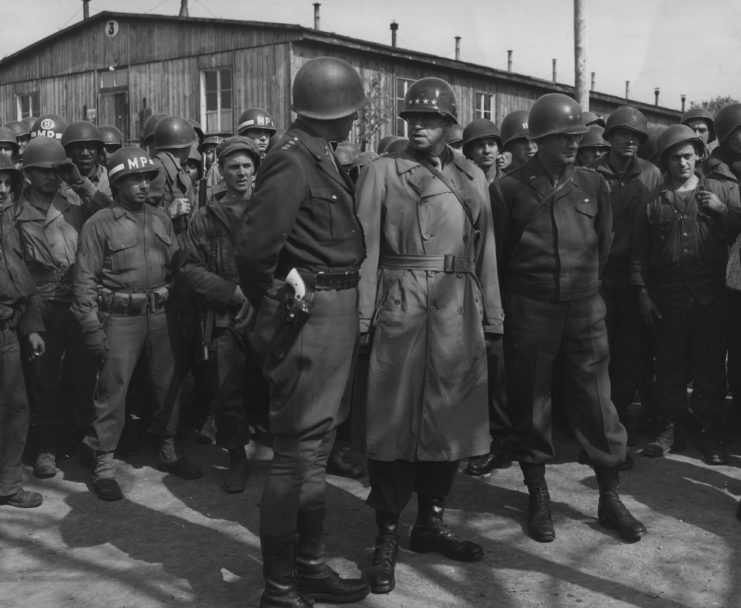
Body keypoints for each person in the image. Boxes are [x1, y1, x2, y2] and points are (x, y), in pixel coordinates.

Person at [356, 77, 503, 594]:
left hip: (457, 308)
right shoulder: (383, 172)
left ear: (449, 125)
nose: (419, 126)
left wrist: (494, 320)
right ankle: (386, 537)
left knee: (450, 422)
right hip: (399, 303)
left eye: (430, 119)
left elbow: (485, 254)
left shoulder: (472, 178)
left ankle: (431, 523)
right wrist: (362, 318)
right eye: (412, 118)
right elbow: (367, 249)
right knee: (393, 424)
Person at [235, 56, 370, 607]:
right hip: (310, 317)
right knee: (294, 456)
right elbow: (253, 251)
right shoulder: (292, 160)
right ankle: (279, 588)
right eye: (352, 110)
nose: (355, 119)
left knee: (316, 449)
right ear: (335, 110)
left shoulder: (319, 154)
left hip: (332, 311)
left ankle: (309, 566)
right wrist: (282, 297)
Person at [490, 93, 647, 544]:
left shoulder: (593, 185)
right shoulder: (508, 189)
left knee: (598, 401)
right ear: (539, 140)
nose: (574, 145)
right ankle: (538, 495)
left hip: (584, 308)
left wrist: (585, 293)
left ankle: (609, 496)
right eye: (564, 138)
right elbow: (499, 260)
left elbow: (602, 244)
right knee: (532, 400)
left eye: (577, 137)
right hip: (531, 309)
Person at [72, 147, 202, 502]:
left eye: (148, 178)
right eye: (135, 179)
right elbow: (84, 282)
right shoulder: (98, 225)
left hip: (161, 313)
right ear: (116, 183)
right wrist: (91, 327)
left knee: (168, 385)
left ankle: (170, 449)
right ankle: (103, 464)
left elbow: (178, 265)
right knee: (111, 391)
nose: (144, 185)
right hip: (119, 317)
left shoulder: (160, 218)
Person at [632, 124, 741, 466]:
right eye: (676, 157)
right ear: (665, 161)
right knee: (669, 367)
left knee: (710, 371)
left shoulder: (718, 194)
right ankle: (670, 430)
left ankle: (710, 434)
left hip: (711, 298)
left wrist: (724, 213)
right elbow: (639, 254)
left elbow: (733, 240)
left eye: (689, 156)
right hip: (669, 299)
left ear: (698, 157)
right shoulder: (652, 201)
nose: (683, 163)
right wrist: (643, 295)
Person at [176, 136, 268, 494]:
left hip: (270, 312)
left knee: (277, 384)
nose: (241, 173)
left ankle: (283, 458)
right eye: (234, 167)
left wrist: (266, 295)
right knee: (227, 390)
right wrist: (233, 294)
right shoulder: (205, 216)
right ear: (222, 171)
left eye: (247, 166)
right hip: (225, 318)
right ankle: (237, 459)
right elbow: (189, 268)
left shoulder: (270, 209)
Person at [13, 137, 95, 478]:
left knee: (82, 374)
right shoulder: (16, 212)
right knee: (43, 379)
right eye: (42, 171)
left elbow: (111, 210)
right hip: (40, 299)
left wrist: (79, 180)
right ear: (27, 173)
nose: (51, 177)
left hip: (75, 297)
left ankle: (79, 438)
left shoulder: (74, 201)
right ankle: (45, 447)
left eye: (56, 171)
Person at [590, 107, 662, 446]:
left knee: (631, 353)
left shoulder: (651, 175)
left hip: (635, 276)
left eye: (637, 136)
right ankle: (599, 424)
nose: (630, 140)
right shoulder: (590, 174)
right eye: (623, 133)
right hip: (599, 276)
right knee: (597, 351)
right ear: (609, 137)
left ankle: (618, 421)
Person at [0, 162, 45, 508]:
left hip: (9, 332)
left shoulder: (8, 225)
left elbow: (23, 280)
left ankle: (8, 485)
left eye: (5, 183)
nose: (2, 190)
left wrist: (31, 327)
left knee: (16, 409)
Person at [59, 121, 114, 212]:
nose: (84, 153)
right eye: (78, 147)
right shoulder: (60, 183)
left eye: (90, 147)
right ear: (69, 151)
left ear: (98, 150)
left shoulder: (112, 180)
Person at [461, 118, 504, 183]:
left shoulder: (510, 184)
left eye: (491, 144)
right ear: (470, 152)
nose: (487, 151)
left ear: (498, 149)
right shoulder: (462, 184)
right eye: (480, 145)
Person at [499, 109, 537, 174]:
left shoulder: (553, 177)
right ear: (509, 147)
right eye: (522, 141)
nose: (530, 147)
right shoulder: (502, 181)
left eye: (533, 139)